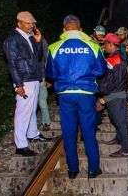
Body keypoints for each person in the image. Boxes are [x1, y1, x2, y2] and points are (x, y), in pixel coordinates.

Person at [45, 15, 106, 179]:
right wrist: (87, 75)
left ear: (64, 29)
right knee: (88, 131)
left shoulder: (54, 47)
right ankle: (93, 169)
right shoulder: (93, 46)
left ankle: (73, 170)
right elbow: (101, 70)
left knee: (69, 132)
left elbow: (50, 73)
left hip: (65, 95)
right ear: (80, 29)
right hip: (86, 94)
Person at [3, 11, 52, 157]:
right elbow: (12, 63)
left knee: (31, 110)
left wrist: (37, 42)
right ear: (19, 23)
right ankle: (21, 145)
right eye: (28, 23)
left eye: (33, 23)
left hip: (33, 78)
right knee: (23, 112)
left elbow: (37, 58)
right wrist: (18, 84)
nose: (32, 26)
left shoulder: (29, 38)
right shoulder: (12, 40)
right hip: (24, 80)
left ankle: (33, 134)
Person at [98, 33, 128, 157]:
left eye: (105, 43)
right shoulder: (114, 57)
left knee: (121, 122)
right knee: (114, 118)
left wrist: (103, 96)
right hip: (114, 94)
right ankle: (118, 138)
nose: (104, 46)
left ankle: (126, 149)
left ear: (111, 44)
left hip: (116, 95)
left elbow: (113, 82)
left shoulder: (115, 59)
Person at [38, 36, 51, 131]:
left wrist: (49, 78)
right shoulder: (20, 39)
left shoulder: (42, 41)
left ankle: (46, 122)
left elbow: (47, 59)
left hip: (41, 75)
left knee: (42, 100)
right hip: (27, 78)